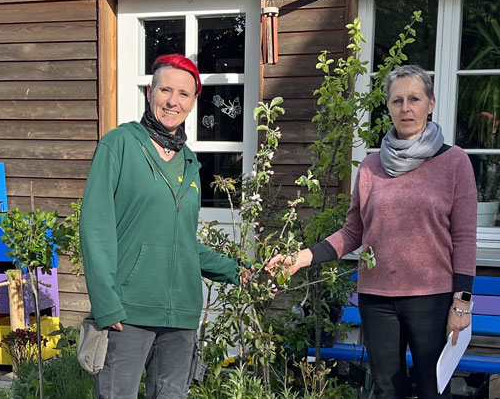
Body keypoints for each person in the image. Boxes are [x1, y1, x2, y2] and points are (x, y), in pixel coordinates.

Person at [269, 65, 477, 398]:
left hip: (432, 300)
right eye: (397, 101)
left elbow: (465, 238)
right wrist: (302, 257)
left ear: (431, 103)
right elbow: (354, 231)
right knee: (384, 389)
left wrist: (462, 303)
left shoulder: (455, 163)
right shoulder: (371, 166)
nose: (405, 108)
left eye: (414, 99)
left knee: (433, 390)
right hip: (377, 300)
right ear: (388, 106)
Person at [80, 54, 247, 399]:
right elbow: (95, 227)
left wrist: (236, 270)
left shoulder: (190, 162)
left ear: (193, 102)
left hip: (181, 316)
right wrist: (106, 303)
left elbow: (184, 242)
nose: (173, 101)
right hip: (128, 312)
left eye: (184, 94)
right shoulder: (120, 144)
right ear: (150, 93)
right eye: (166, 90)